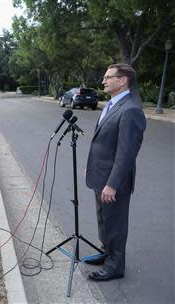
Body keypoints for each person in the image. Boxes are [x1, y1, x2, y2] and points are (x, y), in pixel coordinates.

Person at [85, 63, 146, 281]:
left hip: (113, 182)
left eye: (108, 77)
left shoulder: (131, 110)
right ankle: (107, 253)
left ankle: (115, 267)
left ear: (122, 80)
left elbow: (126, 153)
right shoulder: (111, 105)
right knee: (104, 220)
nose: (103, 81)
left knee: (116, 225)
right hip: (99, 175)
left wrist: (112, 184)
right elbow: (103, 142)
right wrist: (91, 165)